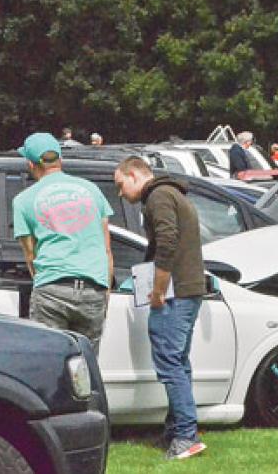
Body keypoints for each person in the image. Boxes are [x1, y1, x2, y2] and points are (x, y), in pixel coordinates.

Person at [114, 156, 209, 459]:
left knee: (169, 364)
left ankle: (186, 436)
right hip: (188, 289)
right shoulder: (171, 193)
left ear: (133, 175)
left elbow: (167, 242)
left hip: (174, 293)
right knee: (179, 362)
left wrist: (157, 290)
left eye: (120, 185)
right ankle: (177, 430)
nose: (120, 193)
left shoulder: (158, 196)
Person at [12, 132, 113, 353]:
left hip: (52, 288)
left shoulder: (23, 201)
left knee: (51, 363)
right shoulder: (92, 190)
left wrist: (42, 283)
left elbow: (31, 256)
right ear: (60, 159)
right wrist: (105, 290)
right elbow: (106, 247)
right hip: (93, 286)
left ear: (31, 164)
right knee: (85, 365)